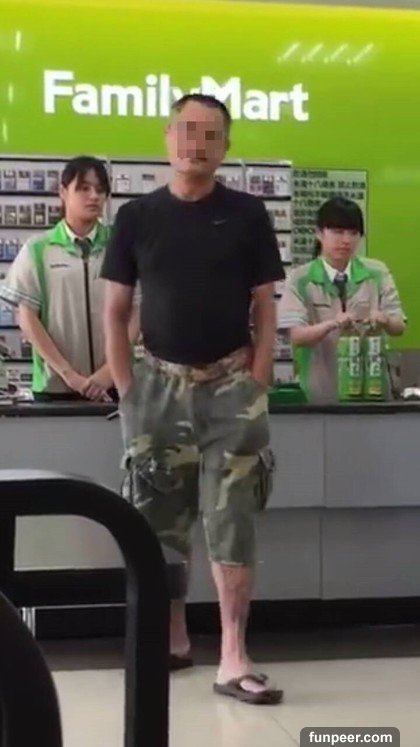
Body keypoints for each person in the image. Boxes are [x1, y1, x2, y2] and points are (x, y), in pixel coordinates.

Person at [102, 93, 285, 704]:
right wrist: (127, 386)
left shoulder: (247, 213)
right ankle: (173, 637)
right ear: (167, 137)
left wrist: (259, 376)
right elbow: (116, 309)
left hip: (233, 387)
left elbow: (265, 304)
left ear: (225, 147)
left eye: (210, 135)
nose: (196, 144)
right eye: (186, 131)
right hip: (155, 387)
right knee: (158, 517)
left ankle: (233, 654)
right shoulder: (137, 217)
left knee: (233, 518)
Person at [0, 156, 137, 401]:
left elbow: (137, 311)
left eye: (100, 190)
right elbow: (27, 317)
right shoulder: (38, 248)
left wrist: (108, 372)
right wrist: (68, 374)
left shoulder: (121, 245)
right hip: (55, 388)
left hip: (117, 384)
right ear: (63, 192)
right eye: (84, 188)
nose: (94, 196)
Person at [278, 196, 405, 402]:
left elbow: (399, 327)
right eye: (337, 231)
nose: (346, 240)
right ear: (319, 233)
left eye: (353, 233)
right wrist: (332, 324)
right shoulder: (300, 279)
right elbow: (297, 336)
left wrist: (386, 320)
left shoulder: (377, 272)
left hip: (373, 395)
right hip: (319, 396)